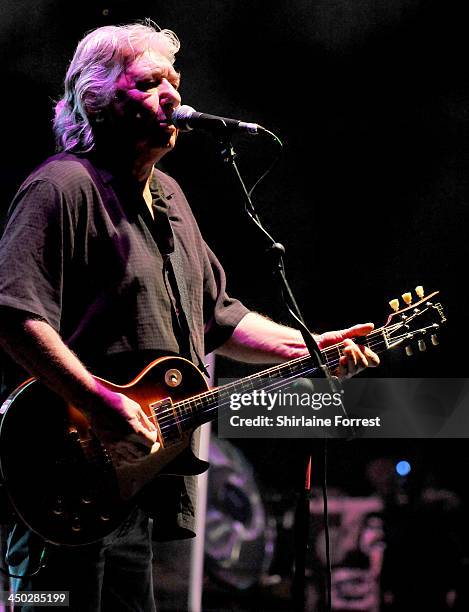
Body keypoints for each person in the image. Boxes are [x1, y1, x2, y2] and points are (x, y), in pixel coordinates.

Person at [0, 21, 379, 611]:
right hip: (62, 477)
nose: (173, 96)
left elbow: (219, 319)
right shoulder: (60, 187)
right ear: (93, 97)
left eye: (175, 80)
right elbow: (14, 314)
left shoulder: (170, 199)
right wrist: (98, 401)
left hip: (132, 490)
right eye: (149, 83)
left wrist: (309, 349)